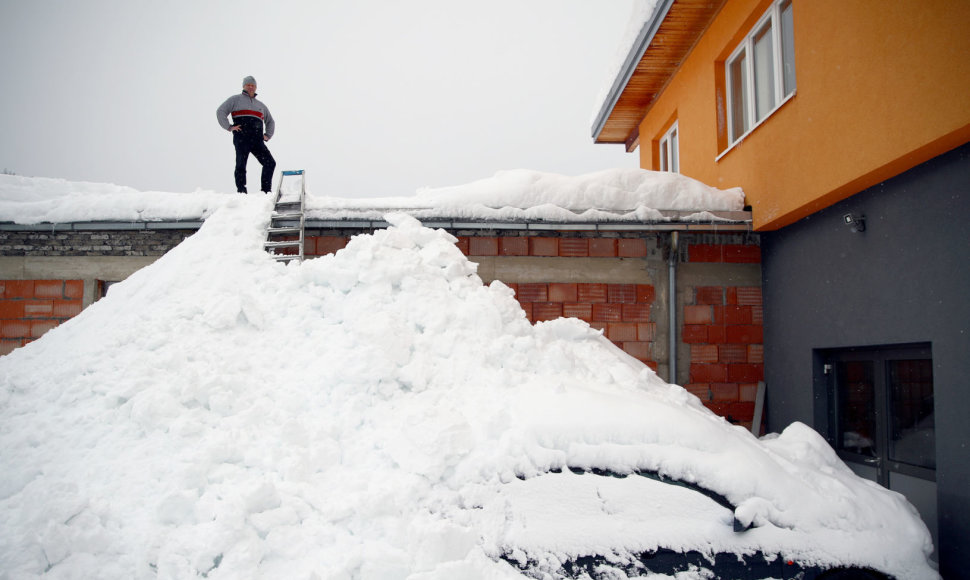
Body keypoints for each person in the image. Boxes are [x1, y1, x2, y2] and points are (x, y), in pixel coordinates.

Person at [216, 76, 276, 193]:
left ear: (256, 87)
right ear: (243, 86)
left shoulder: (261, 106)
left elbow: (270, 121)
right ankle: (241, 191)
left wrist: (267, 135)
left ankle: (265, 191)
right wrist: (229, 127)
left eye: (252, 85)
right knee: (241, 165)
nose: (250, 87)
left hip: (257, 140)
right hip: (242, 138)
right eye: (248, 85)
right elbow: (220, 111)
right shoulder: (235, 100)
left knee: (270, 163)